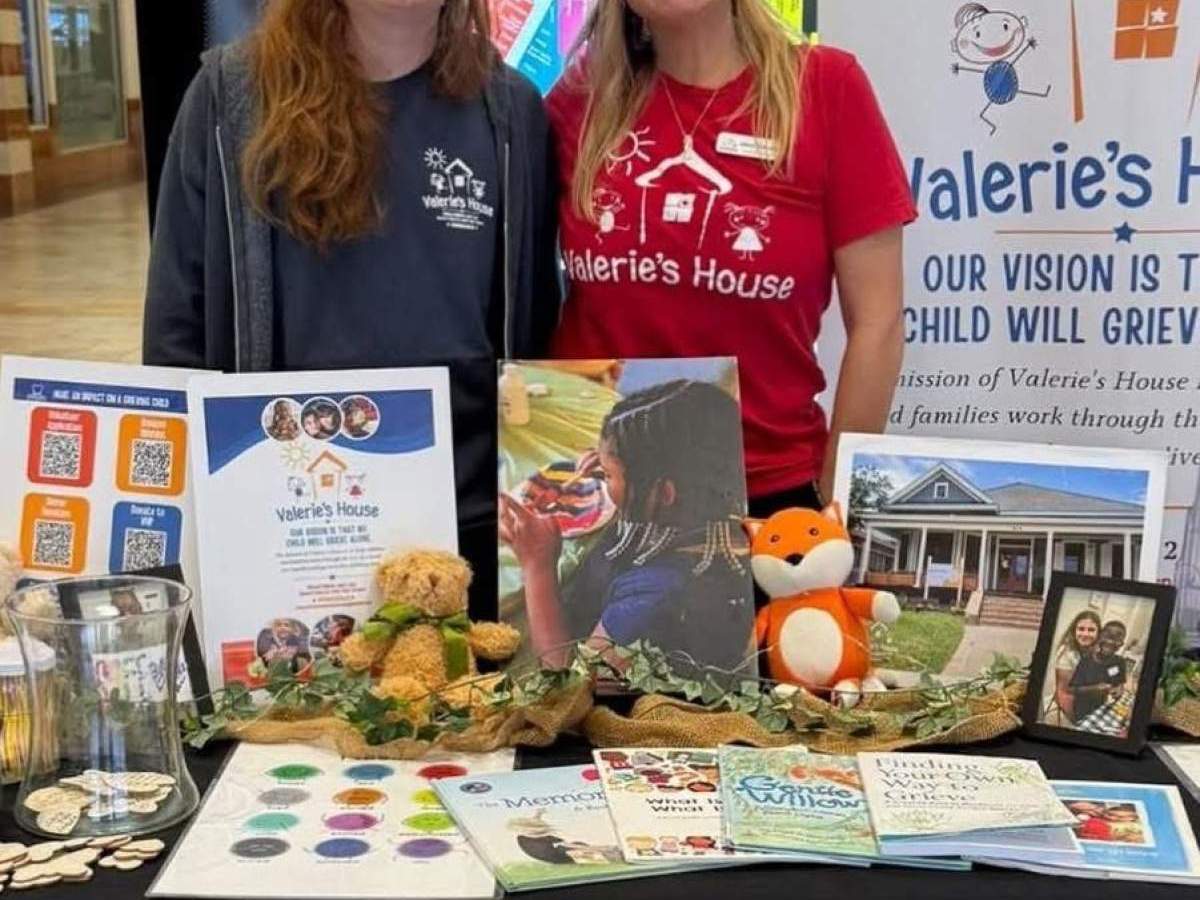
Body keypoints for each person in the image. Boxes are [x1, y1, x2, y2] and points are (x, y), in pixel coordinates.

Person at [143, 0, 561, 620]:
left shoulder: (510, 111)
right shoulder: (231, 99)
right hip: (289, 540)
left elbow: (533, 318)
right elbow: (176, 333)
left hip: (465, 540)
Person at [548, 0, 915, 516]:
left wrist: (835, 507)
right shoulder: (579, 100)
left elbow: (878, 322)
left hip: (770, 500)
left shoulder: (826, 89)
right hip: (605, 490)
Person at [500, 379, 754, 670]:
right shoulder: (708, 504)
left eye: (609, 474)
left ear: (664, 493)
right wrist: (614, 464)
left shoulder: (652, 603)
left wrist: (538, 566)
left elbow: (567, 682)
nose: (602, 475)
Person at [1068, 621, 1130, 725]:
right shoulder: (1086, 661)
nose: (1110, 642)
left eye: (1117, 638)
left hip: (1105, 705)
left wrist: (1119, 689)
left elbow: (1120, 683)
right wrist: (1095, 688)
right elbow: (1072, 689)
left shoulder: (1120, 662)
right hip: (1083, 708)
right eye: (1107, 635)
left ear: (1121, 644)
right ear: (1099, 637)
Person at [1050, 609, 1101, 723]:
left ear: (1098, 633)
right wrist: (1075, 720)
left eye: (1091, 630)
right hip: (1070, 698)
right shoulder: (1066, 654)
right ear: (1074, 630)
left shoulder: (1096, 648)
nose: (1085, 634)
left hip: (1087, 693)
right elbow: (1065, 691)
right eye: (1081, 629)